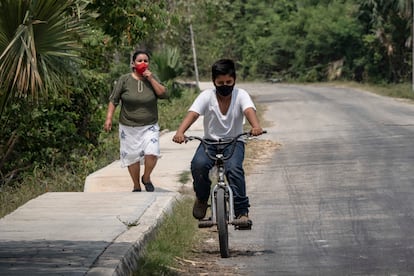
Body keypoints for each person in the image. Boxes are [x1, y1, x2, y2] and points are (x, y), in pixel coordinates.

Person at [172, 58, 263, 228]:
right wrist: (180, 132)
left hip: (234, 142)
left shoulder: (241, 95)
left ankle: (242, 212)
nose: (225, 86)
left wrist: (256, 126)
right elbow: (193, 114)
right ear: (214, 81)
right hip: (209, 143)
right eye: (220, 82)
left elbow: (249, 110)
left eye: (229, 82)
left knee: (234, 169)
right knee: (198, 165)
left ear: (234, 79)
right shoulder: (206, 96)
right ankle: (201, 198)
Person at [104, 49, 169, 192]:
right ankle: (136, 185)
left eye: (146, 61)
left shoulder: (153, 78)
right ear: (133, 64)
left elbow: (163, 94)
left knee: (152, 153)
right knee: (132, 156)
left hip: (149, 125)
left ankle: (146, 177)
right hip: (128, 126)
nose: (143, 63)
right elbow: (113, 100)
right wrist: (109, 118)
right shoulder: (124, 79)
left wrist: (151, 78)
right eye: (140, 61)